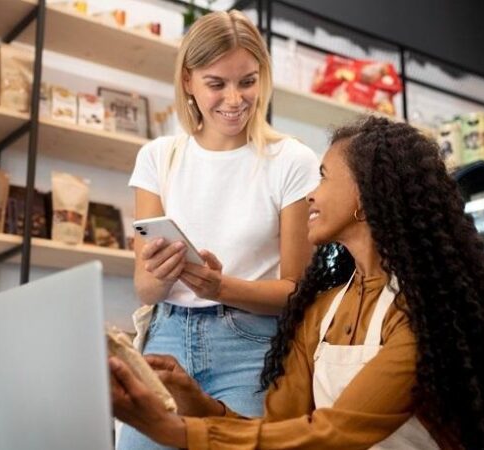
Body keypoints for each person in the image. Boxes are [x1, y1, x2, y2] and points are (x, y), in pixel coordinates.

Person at [110, 116, 484, 449]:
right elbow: (279, 432)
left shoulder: (421, 313)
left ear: (364, 196)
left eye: (323, 176)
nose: (310, 195)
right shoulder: (323, 309)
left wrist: (175, 430)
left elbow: (334, 434)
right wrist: (191, 397)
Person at [120, 9, 320, 450]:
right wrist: (161, 273)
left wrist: (219, 286)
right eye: (217, 83)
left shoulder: (291, 161)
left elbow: (296, 292)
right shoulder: (158, 158)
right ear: (188, 80)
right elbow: (146, 290)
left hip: (251, 346)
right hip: (165, 338)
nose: (234, 99)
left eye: (247, 81)